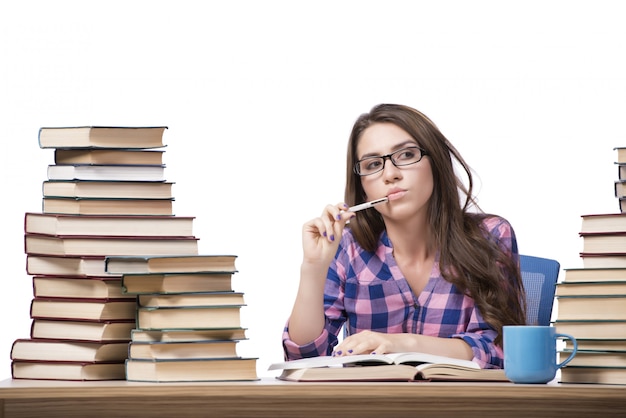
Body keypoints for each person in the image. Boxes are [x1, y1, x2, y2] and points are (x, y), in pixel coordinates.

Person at [282, 103, 526, 369]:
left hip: (461, 408)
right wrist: (313, 268)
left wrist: (404, 344)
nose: (390, 174)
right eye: (373, 164)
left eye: (407, 155)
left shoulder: (490, 236)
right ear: (363, 189)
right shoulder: (347, 248)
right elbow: (303, 359)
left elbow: (501, 349)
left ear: (436, 163)